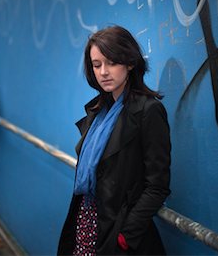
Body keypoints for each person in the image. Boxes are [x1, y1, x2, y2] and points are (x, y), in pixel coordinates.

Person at [58, 26, 171, 255]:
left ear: (130, 63)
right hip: (87, 220)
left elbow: (157, 185)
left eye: (111, 63)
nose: (103, 72)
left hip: (118, 232)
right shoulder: (98, 111)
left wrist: (126, 236)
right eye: (96, 65)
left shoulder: (149, 111)